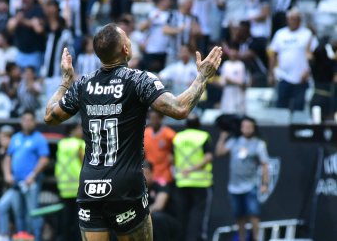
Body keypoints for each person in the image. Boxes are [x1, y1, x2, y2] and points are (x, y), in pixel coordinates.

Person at [43, 23, 222, 241]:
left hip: (90, 186)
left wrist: (65, 82)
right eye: (127, 37)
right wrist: (203, 77)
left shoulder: (83, 84)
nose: (129, 40)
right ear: (125, 50)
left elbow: (50, 116)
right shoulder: (137, 79)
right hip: (125, 186)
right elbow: (180, 108)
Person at [0, 111, 50, 241]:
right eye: (24, 119)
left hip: (31, 182)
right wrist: (7, 174)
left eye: (29, 120)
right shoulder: (16, 138)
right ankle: (20, 238)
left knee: (32, 213)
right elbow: (8, 158)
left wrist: (32, 175)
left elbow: (44, 159)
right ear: (21, 121)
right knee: (18, 213)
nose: (27, 122)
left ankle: (35, 238)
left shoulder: (39, 138)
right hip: (16, 183)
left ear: (34, 122)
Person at [215, 116, 269, 241]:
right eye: (244, 126)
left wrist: (265, 183)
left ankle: (256, 238)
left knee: (254, 214)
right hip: (234, 186)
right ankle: (242, 238)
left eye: (249, 126)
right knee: (239, 215)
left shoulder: (258, 144)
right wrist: (223, 137)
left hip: (250, 185)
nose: (246, 129)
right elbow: (219, 152)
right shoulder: (234, 141)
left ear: (254, 128)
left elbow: (265, 164)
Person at [172, 113, 213, 241]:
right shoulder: (203, 136)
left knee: (182, 215)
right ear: (199, 124)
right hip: (201, 182)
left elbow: (171, 158)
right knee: (199, 215)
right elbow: (208, 157)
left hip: (181, 181)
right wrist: (192, 169)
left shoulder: (177, 138)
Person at [268, 8, 312, 111]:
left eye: (295, 19)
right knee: (281, 108)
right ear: (287, 20)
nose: (292, 21)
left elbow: (313, 55)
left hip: (301, 78)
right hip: (283, 76)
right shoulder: (280, 34)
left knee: (299, 108)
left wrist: (308, 71)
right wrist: (271, 73)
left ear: (300, 20)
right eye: (290, 18)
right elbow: (273, 54)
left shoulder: (307, 34)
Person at [55, 123, 85, 241]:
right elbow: (85, 164)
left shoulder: (61, 144)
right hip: (78, 187)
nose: (82, 131)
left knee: (65, 219)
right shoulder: (80, 144)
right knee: (79, 219)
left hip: (64, 187)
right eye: (79, 129)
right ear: (72, 130)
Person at [142, 161, 180, 241]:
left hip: (168, 220)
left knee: (156, 217)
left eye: (145, 173)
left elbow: (159, 206)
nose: (143, 177)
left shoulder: (161, 185)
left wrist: (141, 214)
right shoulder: (138, 190)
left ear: (152, 174)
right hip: (148, 218)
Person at [144, 109, 176, 186]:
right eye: (151, 118)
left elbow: (175, 153)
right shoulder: (145, 133)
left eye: (155, 118)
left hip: (165, 176)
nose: (153, 121)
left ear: (161, 118)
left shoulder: (170, 134)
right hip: (149, 176)